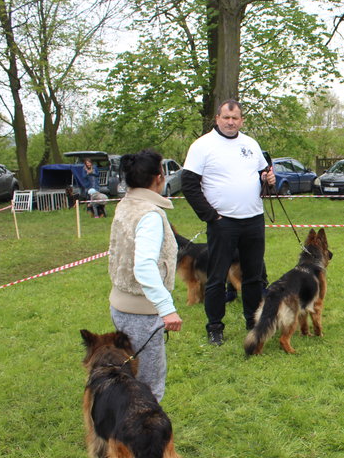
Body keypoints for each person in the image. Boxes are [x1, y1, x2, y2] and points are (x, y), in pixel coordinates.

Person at [181, 100, 276, 346]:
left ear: (241, 120)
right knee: (217, 276)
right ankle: (215, 327)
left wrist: (269, 177)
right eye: (226, 117)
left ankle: (253, 321)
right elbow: (189, 184)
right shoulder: (202, 146)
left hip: (253, 219)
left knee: (254, 276)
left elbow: (262, 174)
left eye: (235, 118)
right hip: (223, 223)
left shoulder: (250, 144)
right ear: (217, 118)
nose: (231, 122)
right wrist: (211, 216)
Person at [108, 149, 182, 402]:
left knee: (131, 379)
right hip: (141, 313)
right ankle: (144, 437)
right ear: (159, 177)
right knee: (148, 387)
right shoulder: (149, 215)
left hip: (121, 306)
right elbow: (144, 266)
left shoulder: (127, 204)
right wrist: (166, 308)